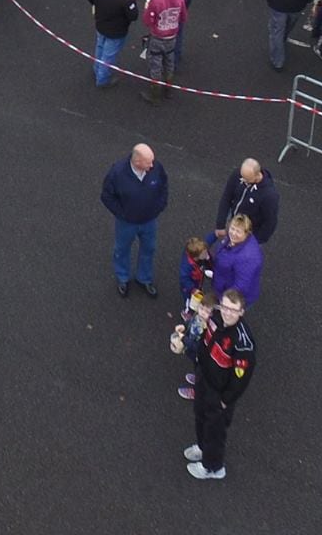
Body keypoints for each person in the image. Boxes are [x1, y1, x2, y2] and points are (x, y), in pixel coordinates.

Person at [176, 288, 256, 480]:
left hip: (220, 394)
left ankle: (213, 467)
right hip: (204, 380)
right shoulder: (215, 319)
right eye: (225, 307)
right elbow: (203, 340)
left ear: (241, 312)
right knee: (200, 416)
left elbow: (241, 379)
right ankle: (203, 448)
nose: (227, 313)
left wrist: (225, 400)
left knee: (215, 430)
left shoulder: (243, 343)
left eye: (233, 310)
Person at [100, 141, 168, 297]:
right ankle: (122, 278)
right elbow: (106, 196)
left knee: (149, 249)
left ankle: (144, 278)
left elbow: (164, 186)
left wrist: (160, 206)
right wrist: (122, 214)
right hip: (126, 223)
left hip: (149, 221)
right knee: (121, 250)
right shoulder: (117, 173)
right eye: (148, 162)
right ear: (137, 161)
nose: (152, 165)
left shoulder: (156, 168)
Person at [85, 0, 139, 88]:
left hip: (100, 24)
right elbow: (134, 16)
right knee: (108, 56)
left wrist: (96, 5)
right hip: (116, 31)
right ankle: (102, 80)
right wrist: (133, 0)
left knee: (100, 47)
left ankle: (97, 69)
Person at [141, 0, 186, 102]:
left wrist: (147, 7)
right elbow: (183, 17)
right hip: (172, 37)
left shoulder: (156, 0)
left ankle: (155, 95)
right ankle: (168, 89)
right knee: (169, 62)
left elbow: (148, 21)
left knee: (156, 64)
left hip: (157, 37)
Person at [218, 158, 280, 244]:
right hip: (233, 219)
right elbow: (226, 197)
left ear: (257, 175)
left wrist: (255, 242)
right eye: (242, 177)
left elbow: (270, 222)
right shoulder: (239, 174)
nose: (243, 180)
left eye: (247, 179)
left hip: (249, 232)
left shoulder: (269, 196)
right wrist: (220, 224)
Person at [209, 214, 264, 306]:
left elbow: (240, 286)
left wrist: (226, 301)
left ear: (247, 233)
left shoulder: (249, 257)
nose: (233, 233)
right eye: (232, 228)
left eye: (238, 231)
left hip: (232, 297)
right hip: (223, 282)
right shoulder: (235, 241)